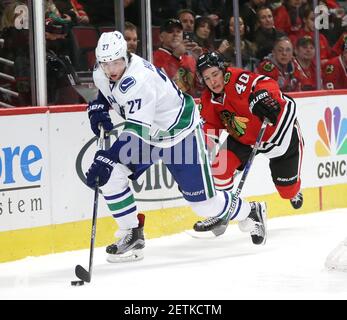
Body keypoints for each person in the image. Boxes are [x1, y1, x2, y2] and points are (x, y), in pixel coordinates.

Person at [85, 31, 268, 262]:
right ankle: (131, 233)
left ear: (126, 55)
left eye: (116, 62)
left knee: (204, 205)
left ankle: (250, 211)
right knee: (111, 176)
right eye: (106, 63)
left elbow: (135, 132)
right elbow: (106, 92)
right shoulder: (101, 72)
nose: (111, 69)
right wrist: (98, 107)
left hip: (179, 134)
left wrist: (107, 157)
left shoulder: (138, 80)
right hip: (149, 134)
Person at [195, 52, 304, 221]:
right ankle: (222, 208)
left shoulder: (237, 79)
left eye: (215, 74)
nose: (213, 82)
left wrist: (262, 96)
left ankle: (294, 190)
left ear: (223, 70)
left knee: (287, 191)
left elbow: (266, 83)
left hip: (276, 129)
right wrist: (200, 154)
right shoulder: (208, 101)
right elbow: (209, 130)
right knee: (219, 169)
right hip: (244, 138)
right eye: (207, 78)